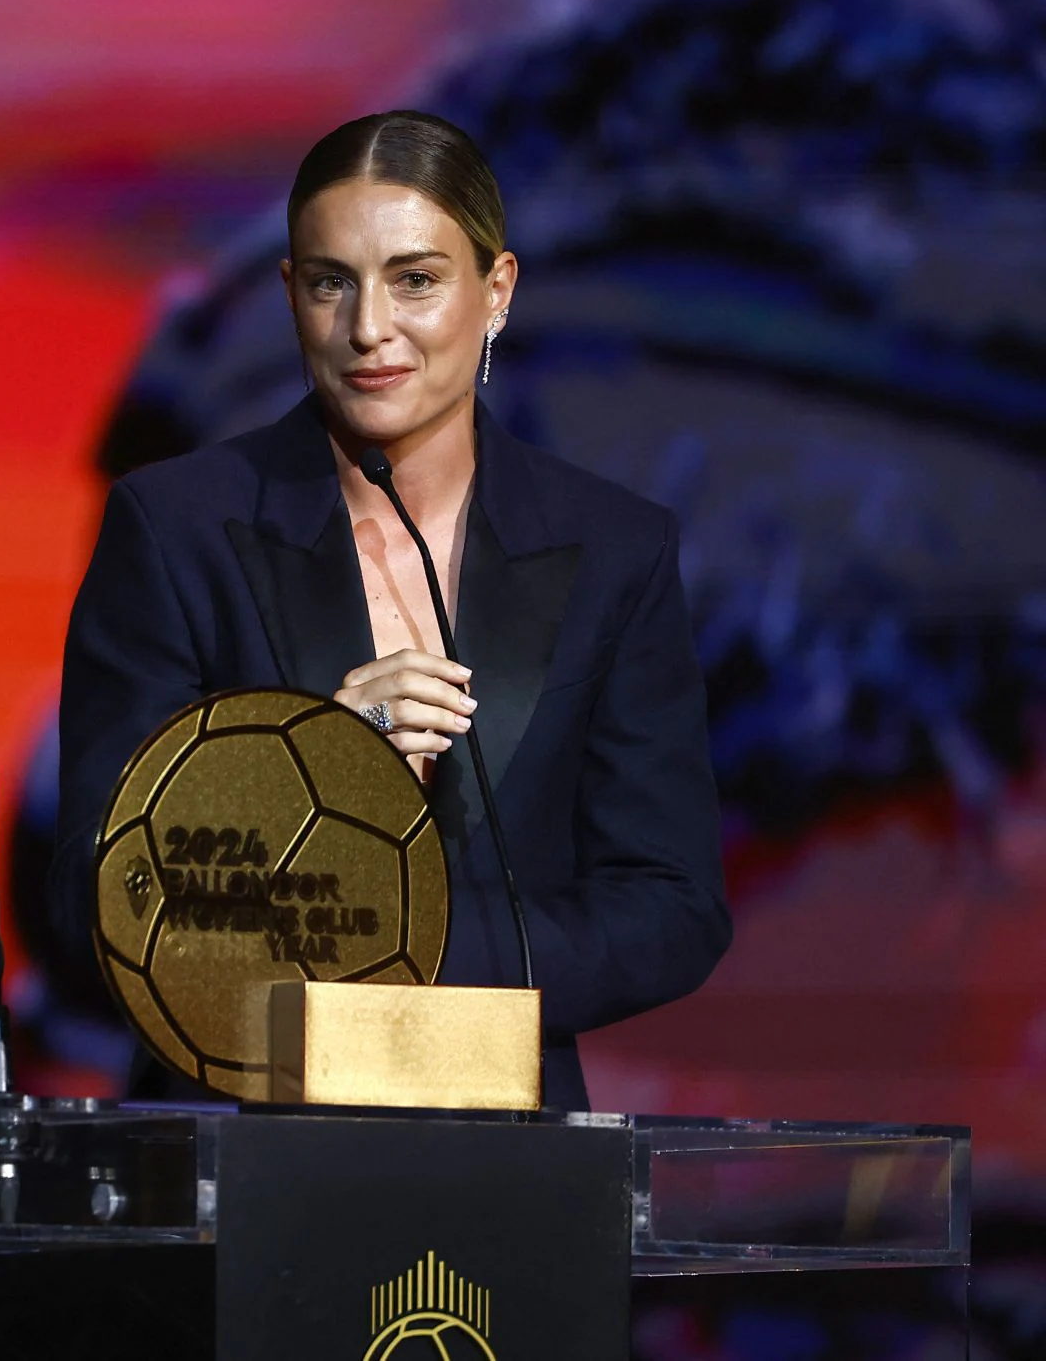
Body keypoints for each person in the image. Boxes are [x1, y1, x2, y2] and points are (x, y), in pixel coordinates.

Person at [53, 111, 732, 1111]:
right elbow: (98, 889)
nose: (369, 327)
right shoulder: (176, 527)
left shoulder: (614, 549)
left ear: (496, 292)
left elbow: (670, 906)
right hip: (234, 1142)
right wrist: (314, 757)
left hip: (502, 1147)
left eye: (415, 279)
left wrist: (410, 950)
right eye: (332, 282)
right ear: (291, 296)